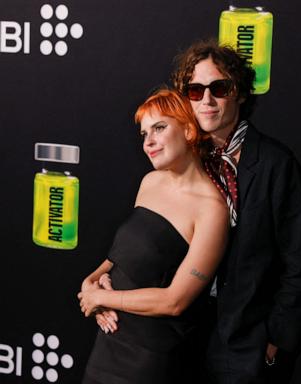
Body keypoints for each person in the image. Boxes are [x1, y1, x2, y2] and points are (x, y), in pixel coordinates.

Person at [172, 39, 301, 384]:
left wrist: (277, 340)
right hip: (184, 338)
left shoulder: (275, 164)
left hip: (249, 346)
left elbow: (300, 265)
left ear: (238, 93)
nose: (206, 100)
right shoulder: (183, 163)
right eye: (195, 91)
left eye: (218, 88)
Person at [78, 88, 229, 384]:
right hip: (109, 341)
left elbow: (175, 301)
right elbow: (120, 257)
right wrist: (91, 284)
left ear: (187, 130)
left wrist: (103, 297)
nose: (149, 142)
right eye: (144, 133)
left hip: (150, 358)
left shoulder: (212, 210)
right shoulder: (150, 182)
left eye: (159, 128)